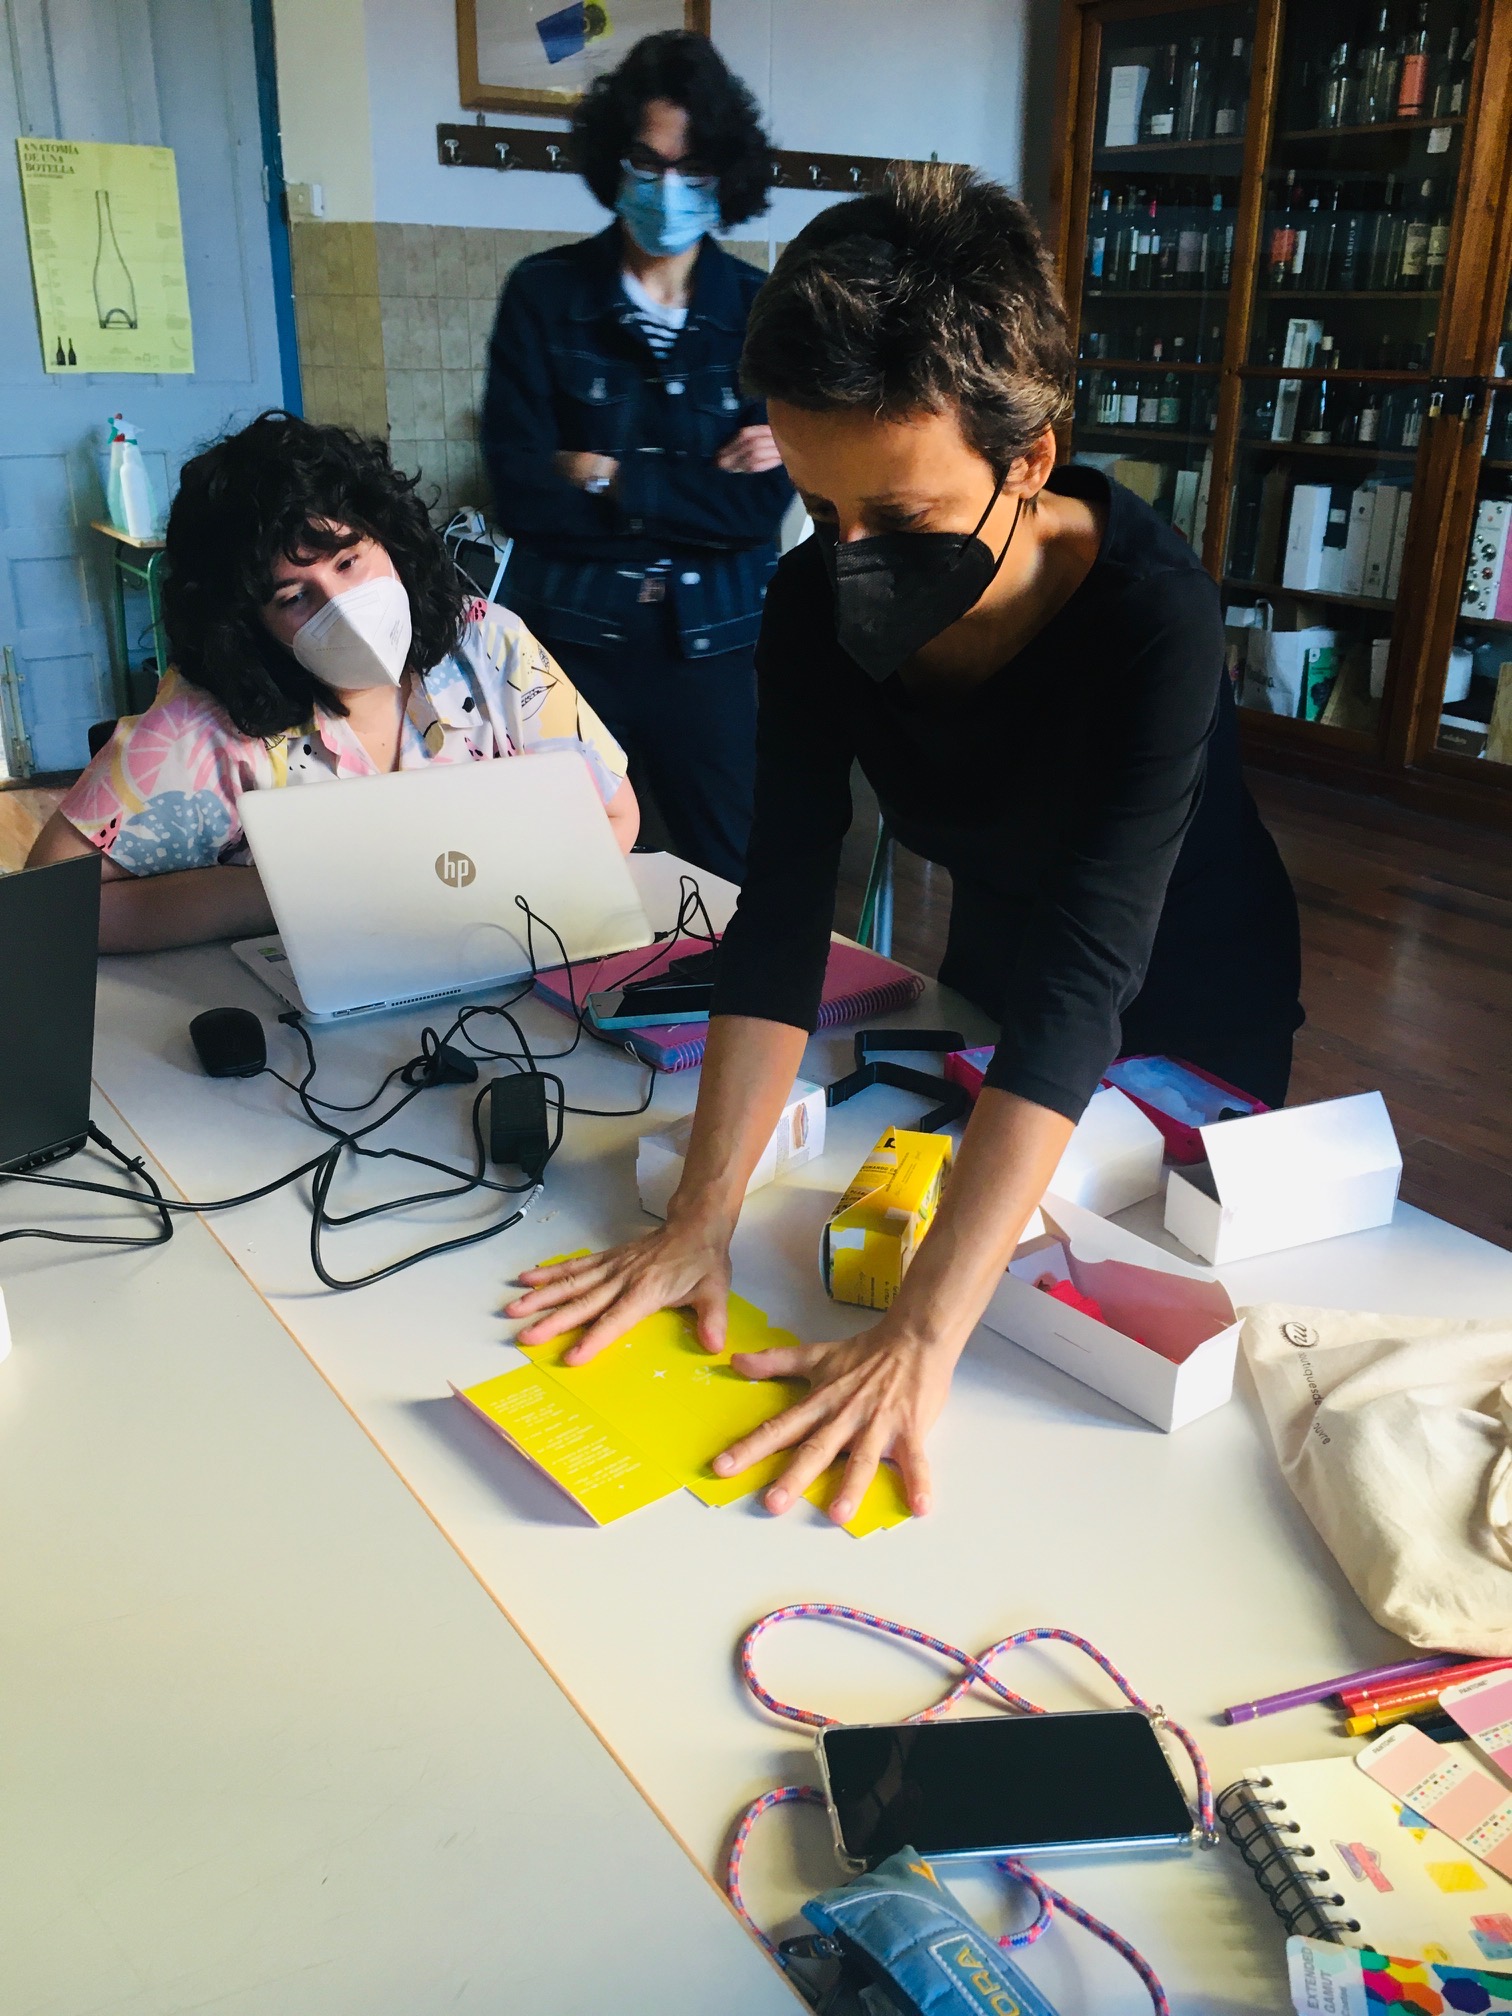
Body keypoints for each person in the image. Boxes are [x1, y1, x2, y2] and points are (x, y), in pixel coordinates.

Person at [505, 167, 1304, 1525]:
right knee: (1026, 1310)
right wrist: (699, 1216)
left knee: (1147, 1366)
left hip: (1183, 979)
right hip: (1009, 950)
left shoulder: (1152, 620)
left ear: (1030, 458)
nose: (853, 556)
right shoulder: (819, 601)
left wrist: (923, 1338)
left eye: (906, 520)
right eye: (824, 510)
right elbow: (780, 915)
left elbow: (1086, 985)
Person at [28, 413, 637, 953]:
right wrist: (287, 896)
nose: (343, 608)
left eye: (349, 563)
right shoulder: (207, 723)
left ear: (390, 541)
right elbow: (53, 908)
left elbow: (614, 815)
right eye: (296, 597)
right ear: (249, 624)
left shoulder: (487, 644)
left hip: (507, 966)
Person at [480, 29, 793, 884]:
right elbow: (520, 493)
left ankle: (704, 1023)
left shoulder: (761, 310)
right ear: (614, 161)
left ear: (724, 175)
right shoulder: (544, 296)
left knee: (725, 874)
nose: (668, 188)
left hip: (717, 646)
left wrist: (602, 472)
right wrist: (697, 490)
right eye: (647, 162)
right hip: (573, 643)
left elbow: (759, 511)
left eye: (692, 170)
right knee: (557, 872)